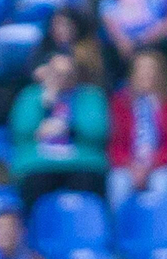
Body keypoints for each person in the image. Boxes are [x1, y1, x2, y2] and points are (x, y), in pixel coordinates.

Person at [8, 52, 110, 210]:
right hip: (39, 163)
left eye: (68, 74)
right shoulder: (30, 96)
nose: (63, 78)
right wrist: (44, 104)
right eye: (57, 73)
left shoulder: (90, 96)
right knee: (34, 186)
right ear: (47, 73)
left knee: (88, 184)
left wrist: (70, 128)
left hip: (81, 162)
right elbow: (21, 130)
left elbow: (98, 131)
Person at [106, 48, 167, 213]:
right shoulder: (120, 103)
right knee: (118, 182)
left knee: (162, 183)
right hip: (129, 165)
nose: (147, 74)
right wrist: (132, 166)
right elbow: (115, 143)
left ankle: (162, 234)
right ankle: (123, 234)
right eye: (142, 69)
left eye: (151, 69)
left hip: (164, 164)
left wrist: (150, 165)